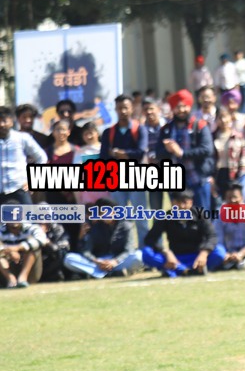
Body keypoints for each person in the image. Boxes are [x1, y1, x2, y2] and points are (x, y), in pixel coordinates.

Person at [100, 94, 151, 244]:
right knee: (120, 217)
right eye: (120, 108)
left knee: (140, 216)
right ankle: (125, 249)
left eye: (126, 108)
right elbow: (104, 157)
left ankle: (144, 250)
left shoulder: (140, 130)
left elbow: (140, 154)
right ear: (115, 109)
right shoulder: (108, 132)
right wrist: (128, 155)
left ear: (132, 108)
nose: (123, 111)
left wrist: (117, 153)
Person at [141, 191, 225, 276]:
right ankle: (189, 270)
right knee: (146, 253)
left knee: (220, 252)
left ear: (191, 202)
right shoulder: (166, 217)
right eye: (178, 202)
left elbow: (212, 236)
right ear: (173, 202)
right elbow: (150, 239)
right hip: (175, 259)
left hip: (197, 256)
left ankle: (178, 270)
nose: (181, 206)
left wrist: (204, 254)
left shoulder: (200, 214)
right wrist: (166, 252)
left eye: (185, 202)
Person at [157, 90, 215, 211]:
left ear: (190, 107)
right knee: (179, 216)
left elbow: (207, 150)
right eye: (178, 107)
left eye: (184, 106)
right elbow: (158, 153)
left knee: (201, 215)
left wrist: (182, 153)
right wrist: (168, 150)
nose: (181, 110)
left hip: (197, 178)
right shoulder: (166, 129)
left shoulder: (199, 125)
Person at [63, 197, 145, 278]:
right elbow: (86, 250)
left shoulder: (126, 226)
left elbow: (128, 250)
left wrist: (114, 261)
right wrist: (96, 261)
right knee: (69, 258)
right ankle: (113, 273)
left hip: (117, 260)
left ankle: (99, 273)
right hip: (99, 262)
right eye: (101, 213)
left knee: (138, 256)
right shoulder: (95, 227)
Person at [0, 106, 48, 204]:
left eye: (4, 121)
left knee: (27, 214)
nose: (2, 124)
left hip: (19, 189)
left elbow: (42, 158)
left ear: (11, 121)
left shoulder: (22, 138)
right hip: (1, 190)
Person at [0, 199, 45, 287]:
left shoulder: (31, 227)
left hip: (31, 272)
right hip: (9, 268)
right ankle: (11, 279)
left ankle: (23, 278)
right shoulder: (1, 231)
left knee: (33, 248)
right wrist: (8, 252)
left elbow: (42, 239)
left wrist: (18, 248)